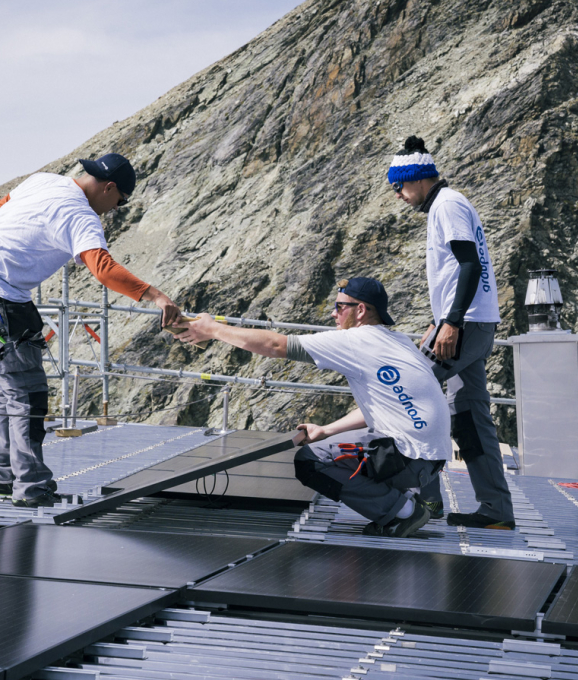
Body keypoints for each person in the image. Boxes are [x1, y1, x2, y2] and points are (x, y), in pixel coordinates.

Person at [0, 153, 181, 508]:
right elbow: (103, 269)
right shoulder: (81, 216)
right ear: (109, 188)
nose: (115, 209)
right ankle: (32, 489)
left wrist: (15, 248)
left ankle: (5, 477)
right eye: (120, 202)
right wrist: (156, 295)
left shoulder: (44, 180)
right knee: (27, 392)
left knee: (8, 385)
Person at [176, 277, 451, 537]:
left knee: (311, 461)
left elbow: (274, 345)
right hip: (427, 461)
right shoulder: (397, 340)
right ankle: (405, 498)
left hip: (407, 459)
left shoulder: (356, 340)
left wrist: (212, 329)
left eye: (340, 307)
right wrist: (327, 430)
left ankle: (403, 513)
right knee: (331, 445)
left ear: (360, 310)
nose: (333, 313)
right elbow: (387, 407)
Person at [389, 136, 515, 530]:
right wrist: (441, 317)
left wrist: (452, 322)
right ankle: (496, 509)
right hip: (469, 321)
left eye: (398, 185)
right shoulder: (444, 206)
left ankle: (427, 499)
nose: (397, 195)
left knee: (408, 390)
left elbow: (470, 265)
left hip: (466, 324)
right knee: (470, 417)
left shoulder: (447, 205)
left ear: (418, 178)